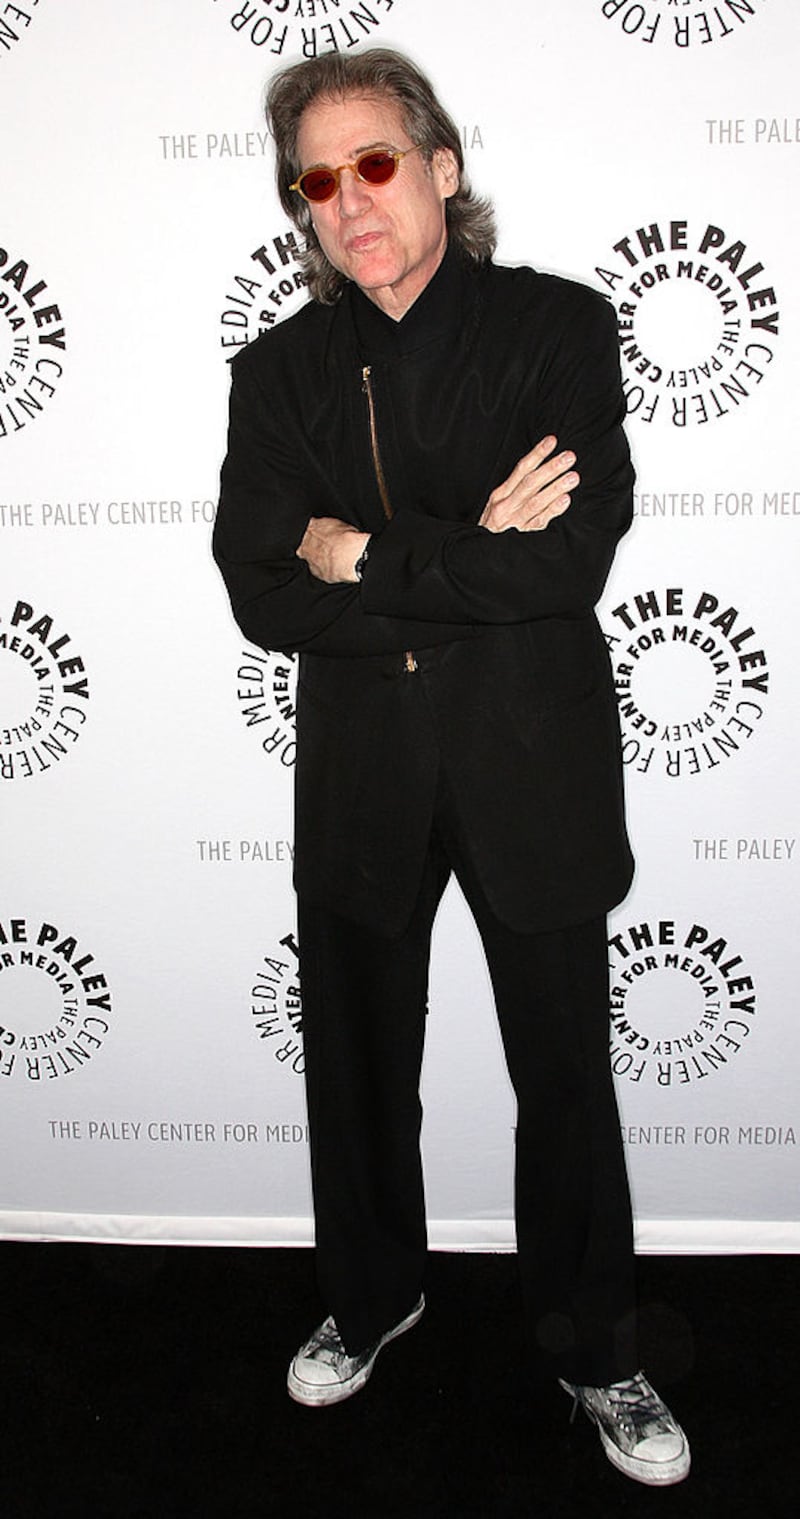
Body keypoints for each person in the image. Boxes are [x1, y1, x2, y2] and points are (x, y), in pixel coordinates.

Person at [213, 47, 690, 1488]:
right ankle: (370, 1301)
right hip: (361, 767)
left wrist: (363, 550)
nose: (348, 202)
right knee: (357, 1074)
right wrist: (459, 552)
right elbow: (261, 589)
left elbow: (562, 565)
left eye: (373, 163)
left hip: (527, 757)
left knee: (565, 1075)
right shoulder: (280, 371)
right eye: (317, 179)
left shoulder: (558, 328)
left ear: (441, 167)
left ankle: (598, 1348)